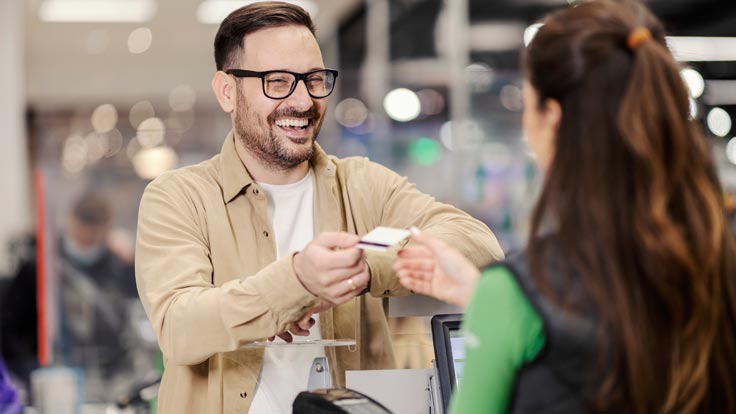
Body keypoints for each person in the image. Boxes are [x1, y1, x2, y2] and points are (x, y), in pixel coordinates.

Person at [133, 2, 503, 413]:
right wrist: (295, 283)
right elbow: (179, 326)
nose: (303, 100)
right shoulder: (179, 197)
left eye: (313, 79)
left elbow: (477, 244)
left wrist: (368, 268)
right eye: (277, 81)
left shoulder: (363, 184)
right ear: (227, 91)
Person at [394, 1, 736, 413]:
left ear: (552, 118)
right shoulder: (716, 259)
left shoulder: (516, 295)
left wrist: (501, 303)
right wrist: (485, 297)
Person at [1, 192, 138, 401]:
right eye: (81, 235)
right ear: (69, 222)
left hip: (108, 381)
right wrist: (30, 374)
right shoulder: (39, 266)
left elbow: (129, 321)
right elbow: (11, 328)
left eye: (92, 237)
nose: (86, 242)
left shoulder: (116, 267)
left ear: (106, 230)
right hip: (50, 377)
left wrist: (133, 261)